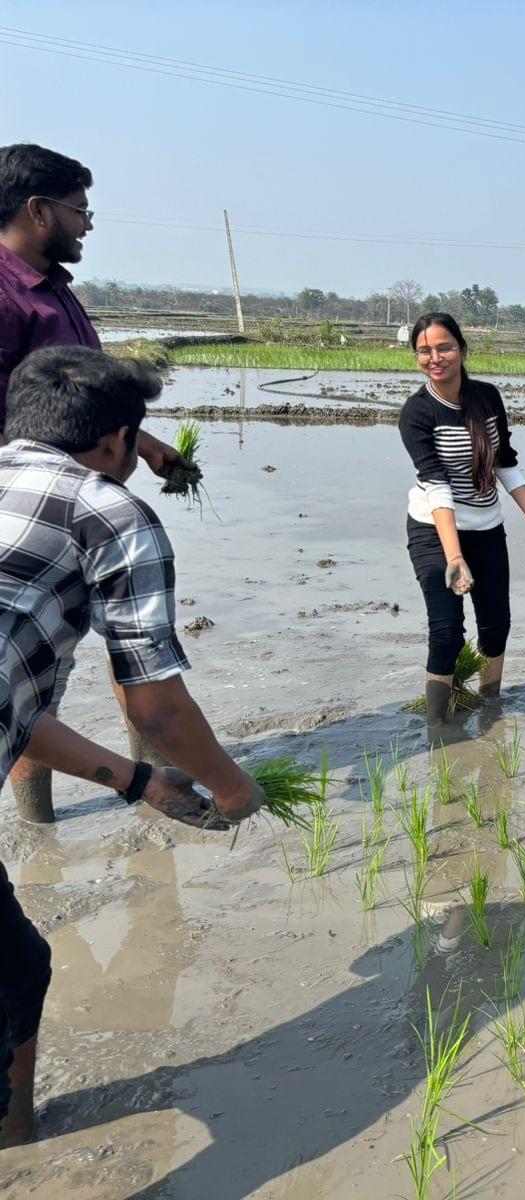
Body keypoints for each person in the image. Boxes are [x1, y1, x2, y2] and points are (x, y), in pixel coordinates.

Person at [0, 345, 265, 1148]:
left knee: (17, 967)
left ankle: (16, 1142)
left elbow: (16, 710)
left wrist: (137, 786)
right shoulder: (110, 513)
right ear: (118, 441)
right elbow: (155, 706)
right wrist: (229, 785)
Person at [0, 143, 183, 823]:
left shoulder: (57, 292)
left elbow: (88, 398)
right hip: (36, 511)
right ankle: (37, 822)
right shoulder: (4, 295)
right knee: (30, 665)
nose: (88, 225)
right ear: (37, 209)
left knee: (124, 637)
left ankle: (154, 784)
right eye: (79, 210)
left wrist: (148, 446)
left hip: (91, 496)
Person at [399, 313, 525, 735]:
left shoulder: (487, 398)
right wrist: (454, 557)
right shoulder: (416, 413)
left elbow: (504, 462)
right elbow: (437, 489)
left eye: (444, 347)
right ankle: (438, 731)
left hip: (486, 527)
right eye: (425, 351)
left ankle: (490, 705)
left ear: (463, 350)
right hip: (434, 530)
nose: (435, 357)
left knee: (496, 624)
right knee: (447, 631)